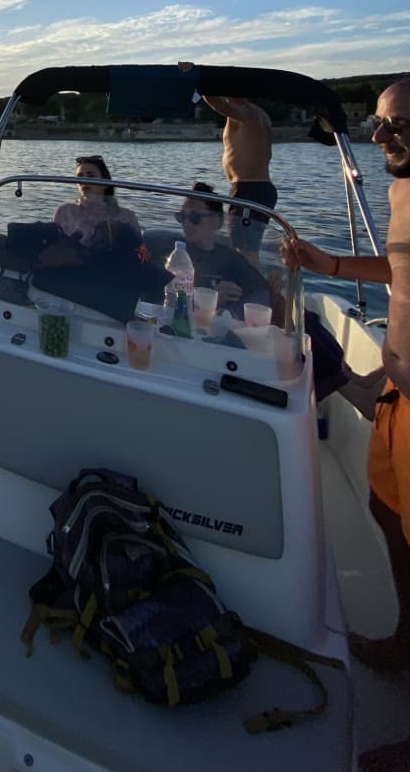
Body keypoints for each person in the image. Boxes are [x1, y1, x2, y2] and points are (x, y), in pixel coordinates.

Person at [284, 81, 410, 768]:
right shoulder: (400, 191)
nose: (383, 136)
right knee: (386, 516)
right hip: (397, 396)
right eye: (379, 124)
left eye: (399, 124)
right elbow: (398, 268)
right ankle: (403, 642)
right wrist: (330, 263)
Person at [178, 63, 276, 268]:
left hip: (251, 188)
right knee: (243, 247)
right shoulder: (253, 114)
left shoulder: (248, 113)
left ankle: (249, 285)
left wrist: (201, 82)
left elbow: (221, 106)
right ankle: (246, 281)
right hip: (249, 189)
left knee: (246, 250)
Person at [174, 182, 269, 316]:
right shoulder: (175, 255)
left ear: (217, 220)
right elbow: (165, 300)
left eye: (195, 217)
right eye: (182, 216)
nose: (187, 223)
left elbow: (261, 291)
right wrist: (211, 300)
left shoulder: (231, 259)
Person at [52, 155, 142, 244]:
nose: (84, 180)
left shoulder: (126, 216)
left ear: (105, 183)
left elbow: (139, 249)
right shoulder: (65, 212)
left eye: (91, 176)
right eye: (80, 176)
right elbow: (53, 246)